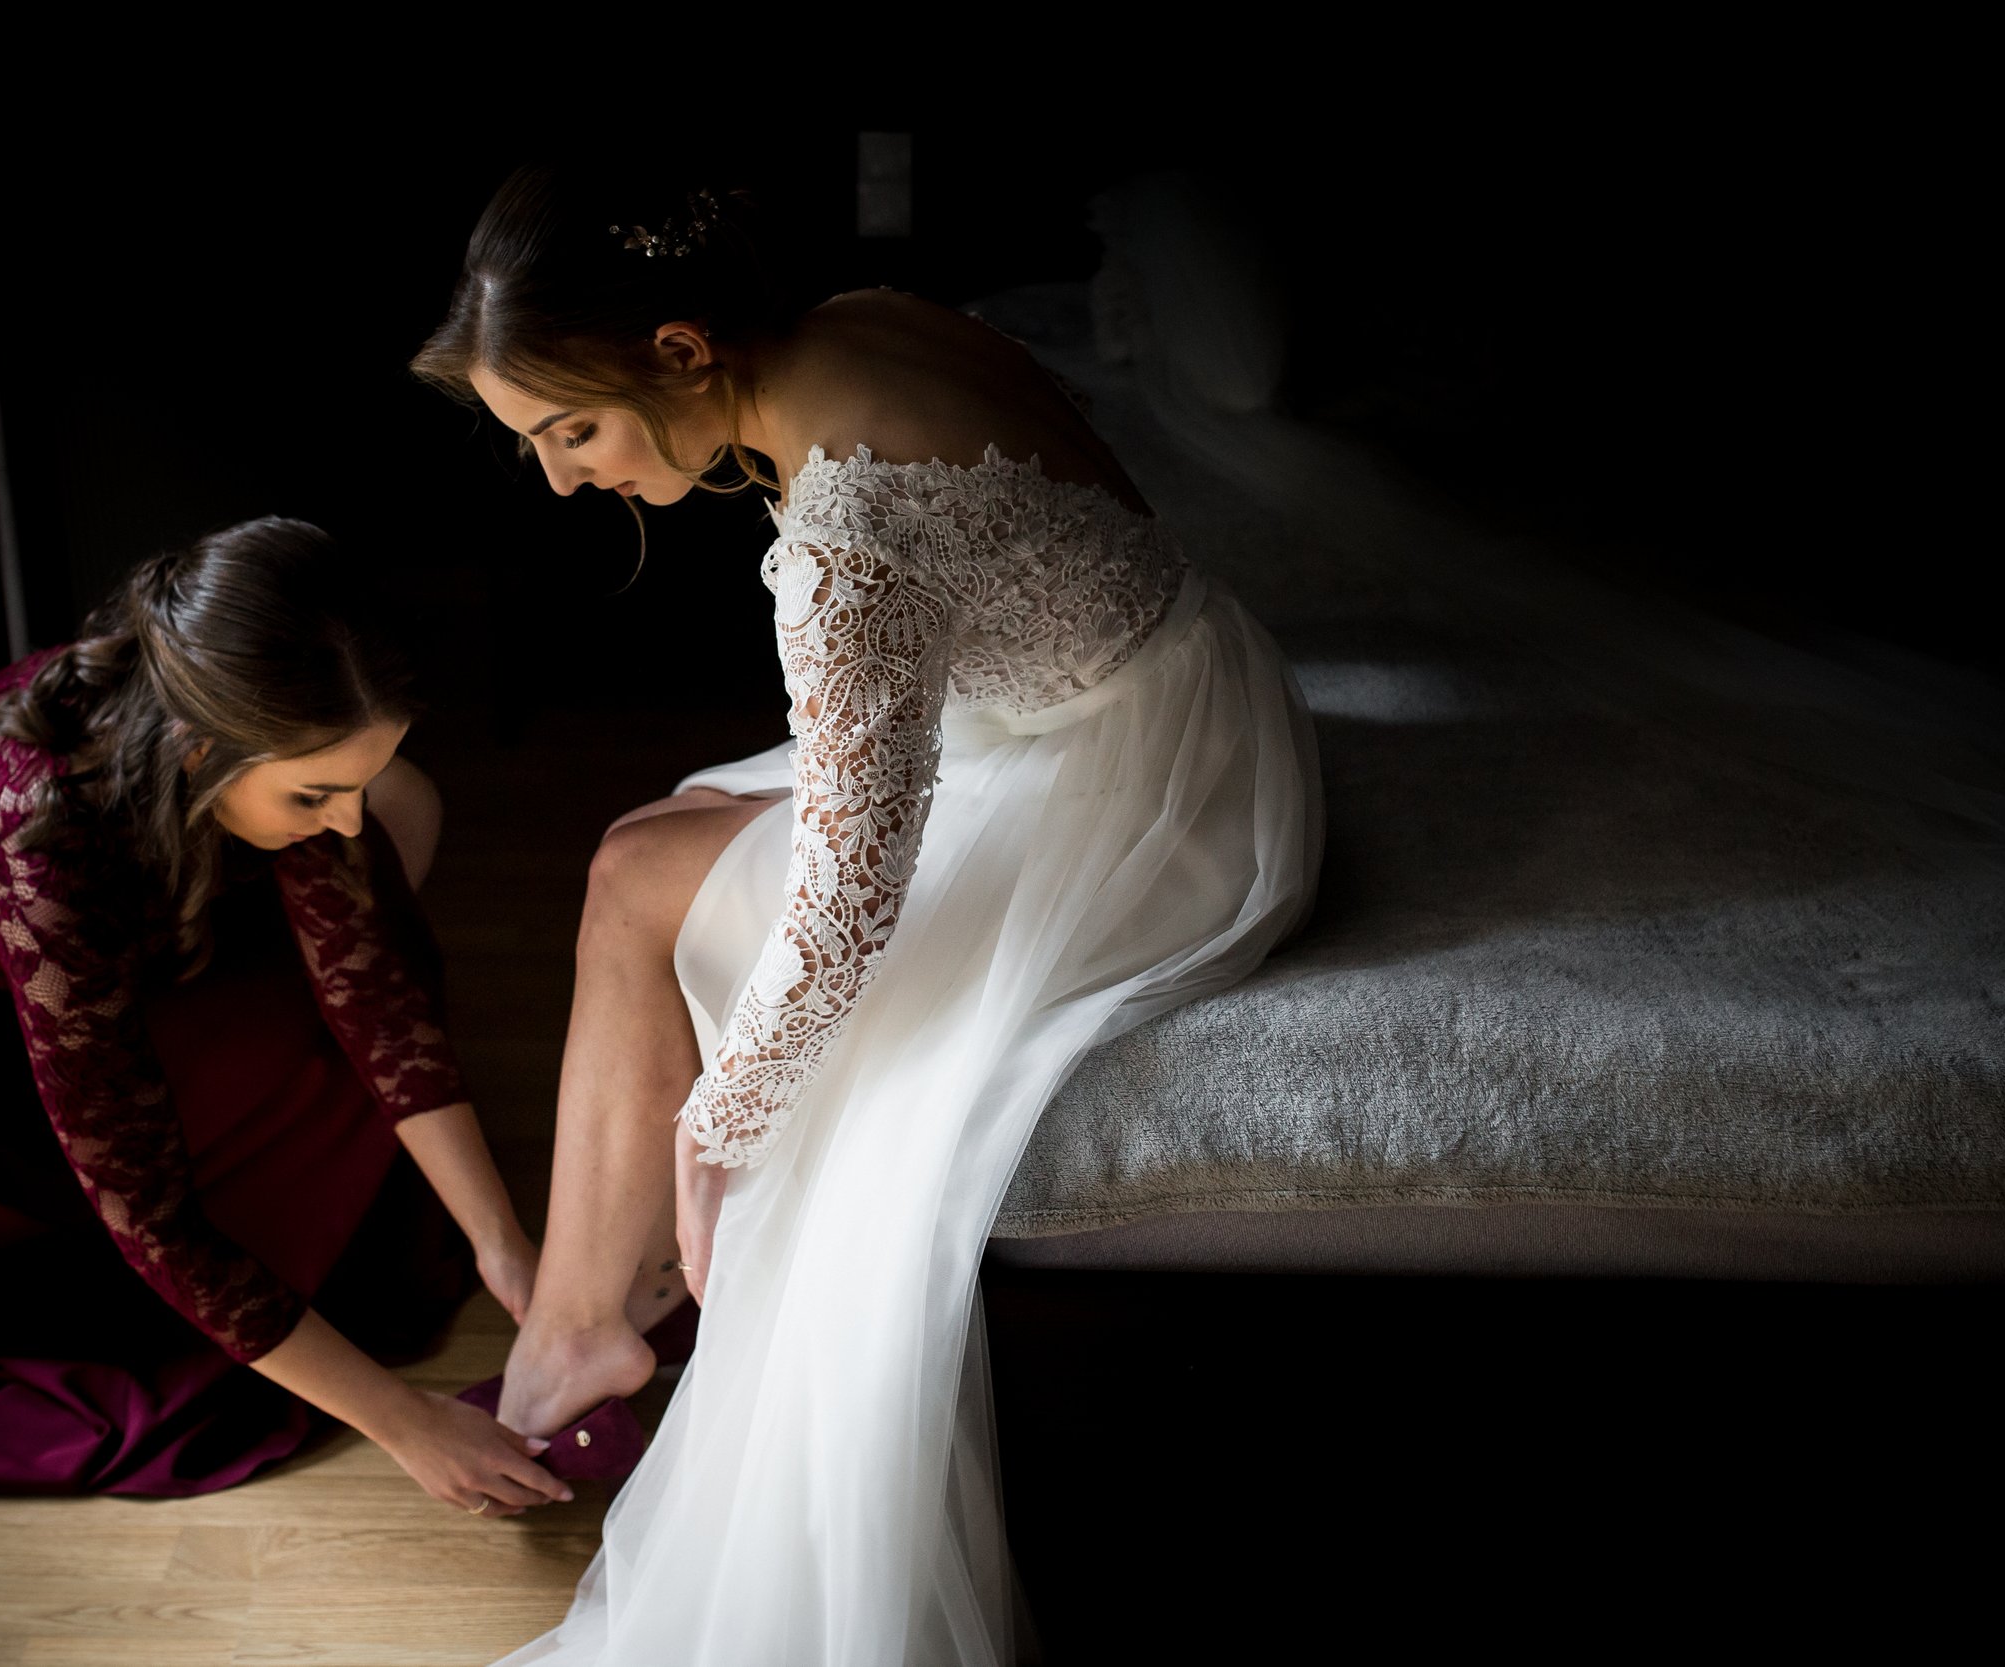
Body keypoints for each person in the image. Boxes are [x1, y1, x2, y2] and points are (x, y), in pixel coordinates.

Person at [413, 170, 1323, 1665]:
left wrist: (723, 1123)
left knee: (641, 888)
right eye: (535, 446)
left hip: (1146, 799)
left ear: (685, 350)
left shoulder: (845, 530)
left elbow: (850, 902)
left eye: (572, 429)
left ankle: (579, 1318)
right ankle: (595, 1303)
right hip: (1192, 695)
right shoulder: (855, 318)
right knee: (644, 847)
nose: (565, 480)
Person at [0, 516, 570, 1515]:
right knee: (281, 1064)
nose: (346, 814)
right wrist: (406, 1422)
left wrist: (504, 1244)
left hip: (134, 917)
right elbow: (147, 1207)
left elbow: (379, 996)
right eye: (317, 789)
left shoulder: (231, 719)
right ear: (197, 746)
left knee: (381, 881)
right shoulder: (42, 852)